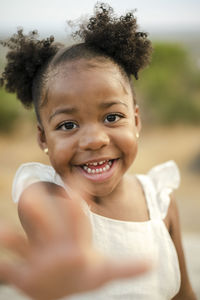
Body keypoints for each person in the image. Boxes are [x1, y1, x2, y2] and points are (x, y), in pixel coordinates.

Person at [0, 2, 196, 300]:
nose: (94, 140)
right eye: (68, 125)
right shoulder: (49, 196)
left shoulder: (161, 202)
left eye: (112, 117)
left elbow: (184, 295)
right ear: (43, 138)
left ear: (136, 120)